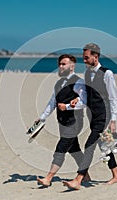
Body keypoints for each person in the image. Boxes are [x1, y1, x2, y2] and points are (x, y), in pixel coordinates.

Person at [63, 43, 117, 190]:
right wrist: (73, 103)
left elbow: (113, 98)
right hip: (92, 116)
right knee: (105, 145)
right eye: (83, 58)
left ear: (96, 57)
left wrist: (113, 120)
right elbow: (87, 98)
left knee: (89, 146)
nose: (84, 60)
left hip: (104, 116)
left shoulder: (107, 74)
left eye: (86, 57)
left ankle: (78, 179)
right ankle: (116, 176)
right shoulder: (87, 73)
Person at [36, 54, 90, 187]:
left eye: (64, 64)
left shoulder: (79, 82)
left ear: (72, 66)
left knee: (61, 148)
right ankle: (86, 175)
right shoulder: (58, 83)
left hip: (74, 121)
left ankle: (48, 178)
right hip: (62, 121)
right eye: (59, 64)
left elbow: (84, 102)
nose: (60, 66)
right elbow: (52, 102)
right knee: (74, 149)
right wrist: (42, 117)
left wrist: (66, 107)